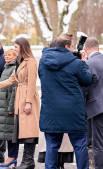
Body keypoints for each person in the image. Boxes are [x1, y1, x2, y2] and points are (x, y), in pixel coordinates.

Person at [38, 33, 92, 169]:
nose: (74, 49)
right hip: (73, 111)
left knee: (52, 146)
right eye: (73, 46)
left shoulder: (43, 62)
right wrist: (84, 63)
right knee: (79, 144)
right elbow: (87, 80)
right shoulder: (76, 63)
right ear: (67, 46)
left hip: (50, 111)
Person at [0, 37, 40, 169]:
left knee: (29, 131)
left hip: (27, 98)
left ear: (22, 47)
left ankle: (28, 161)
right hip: (20, 99)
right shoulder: (20, 62)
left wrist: (29, 102)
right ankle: (26, 161)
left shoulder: (31, 62)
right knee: (22, 132)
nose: (14, 48)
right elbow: (10, 80)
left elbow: (31, 84)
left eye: (16, 46)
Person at [37, 40, 74, 169]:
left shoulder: (43, 63)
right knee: (62, 140)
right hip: (66, 106)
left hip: (49, 107)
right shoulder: (70, 62)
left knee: (51, 142)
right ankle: (61, 164)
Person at [83, 37, 103, 169]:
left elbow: (85, 88)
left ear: (85, 49)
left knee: (98, 145)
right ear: (98, 47)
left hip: (99, 109)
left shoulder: (88, 64)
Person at [0, 48, 19, 167]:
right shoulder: (6, 67)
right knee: (7, 133)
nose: (6, 57)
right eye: (5, 55)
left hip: (9, 106)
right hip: (3, 104)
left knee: (11, 133)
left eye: (9, 55)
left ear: (15, 56)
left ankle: (12, 157)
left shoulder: (14, 68)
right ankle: (10, 157)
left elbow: (14, 89)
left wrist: (11, 107)